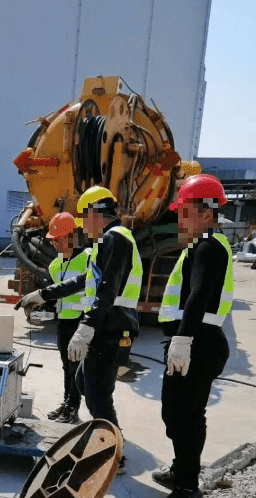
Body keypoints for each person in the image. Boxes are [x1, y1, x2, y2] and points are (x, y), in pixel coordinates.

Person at [153, 174, 233, 498]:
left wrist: (183, 340)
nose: (179, 219)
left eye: (184, 211)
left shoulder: (208, 246)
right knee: (177, 413)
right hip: (198, 342)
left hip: (200, 345)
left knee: (184, 416)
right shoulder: (202, 246)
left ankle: (187, 486)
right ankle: (181, 471)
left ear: (205, 212)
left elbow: (199, 295)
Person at [67, 186, 143, 471]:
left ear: (95, 214)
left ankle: (114, 456)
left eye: (84, 220)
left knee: (99, 395)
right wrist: (44, 295)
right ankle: (106, 435)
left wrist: (85, 328)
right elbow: (83, 281)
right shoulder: (105, 243)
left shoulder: (117, 239)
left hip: (111, 328)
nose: (83, 227)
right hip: (104, 326)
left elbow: (108, 291)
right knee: (84, 382)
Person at [16, 212, 90, 424]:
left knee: (76, 368)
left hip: (83, 322)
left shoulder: (88, 258)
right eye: (54, 240)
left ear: (72, 236)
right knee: (66, 367)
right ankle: (67, 403)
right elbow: (54, 294)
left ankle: (73, 408)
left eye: (60, 239)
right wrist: (37, 304)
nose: (56, 244)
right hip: (65, 322)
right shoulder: (55, 266)